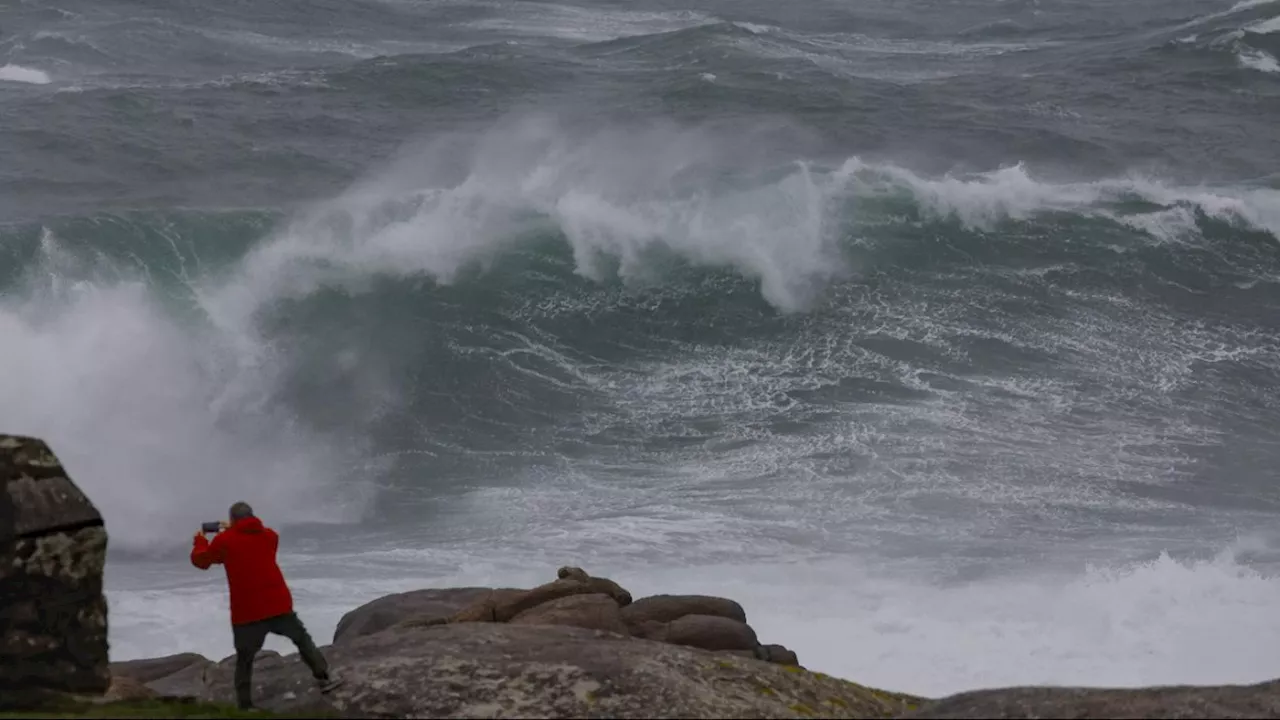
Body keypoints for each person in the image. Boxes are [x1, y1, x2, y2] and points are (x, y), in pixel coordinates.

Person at [191, 501, 341, 710]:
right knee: (301, 639)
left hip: (247, 610)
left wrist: (200, 541)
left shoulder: (224, 540)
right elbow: (253, 538)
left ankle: (245, 706)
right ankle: (324, 678)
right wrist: (235, 528)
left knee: (245, 658)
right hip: (277, 604)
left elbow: (202, 561)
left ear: (233, 520)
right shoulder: (270, 536)